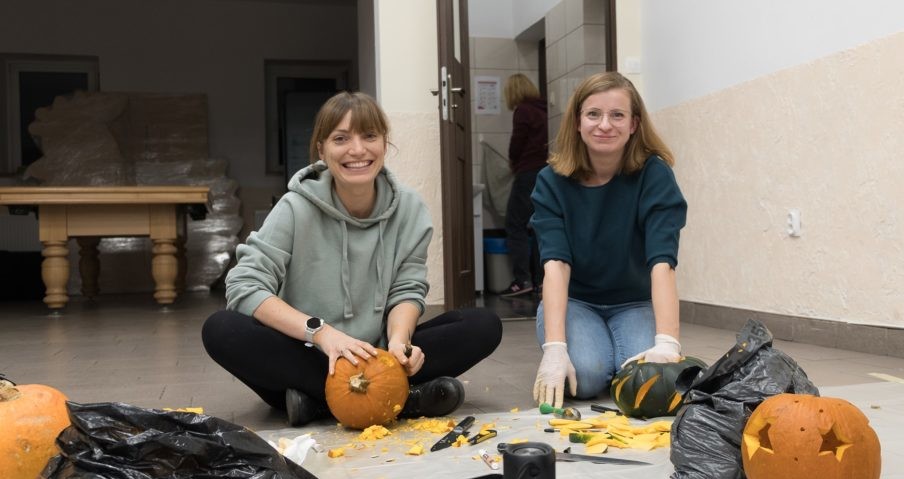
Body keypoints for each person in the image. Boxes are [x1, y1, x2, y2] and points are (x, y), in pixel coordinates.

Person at [202, 91, 502, 427]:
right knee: (222, 330)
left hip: (379, 356)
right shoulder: (294, 208)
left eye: (369, 136)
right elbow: (244, 285)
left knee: (482, 326)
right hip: (309, 356)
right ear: (322, 149)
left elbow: (408, 287)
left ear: (384, 144)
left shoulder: (410, 209)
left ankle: (319, 403)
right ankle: (401, 399)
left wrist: (401, 341)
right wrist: (322, 334)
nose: (357, 150)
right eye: (341, 138)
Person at [530, 72, 688, 408]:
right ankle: (575, 348)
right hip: (577, 302)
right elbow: (555, 264)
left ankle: (616, 356)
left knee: (646, 381)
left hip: (633, 302)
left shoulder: (654, 175)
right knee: (586, 378)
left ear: (633, 124)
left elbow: (663, 262)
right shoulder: (550, 182)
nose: (605, 125)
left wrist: (667, 342)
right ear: (577, 122)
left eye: (617, 115)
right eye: (593, 114)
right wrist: (555, 349)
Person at [499, 74, 548, 297]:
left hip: (528, 172)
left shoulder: (523, 110)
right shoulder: (544, 109)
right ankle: (541, 280)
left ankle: (522, 279)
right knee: (540, 226)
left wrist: (513, 161)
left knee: (514, 224)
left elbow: (517, 143)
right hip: (546, 172)